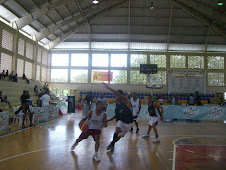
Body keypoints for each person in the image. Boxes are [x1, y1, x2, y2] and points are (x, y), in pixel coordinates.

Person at [103, 83, 134, 154]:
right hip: (122, 121)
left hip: (129, 123)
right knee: (117, 128)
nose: (115, 96)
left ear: (121, 96)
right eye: (115, 95)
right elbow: (116, 116)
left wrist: (109, 88)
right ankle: (112, 147)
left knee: (118, 136)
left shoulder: (126, 101)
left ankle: (111, 144)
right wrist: (108, 120)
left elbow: (117, 93)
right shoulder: (117, 105)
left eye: (117, 95)